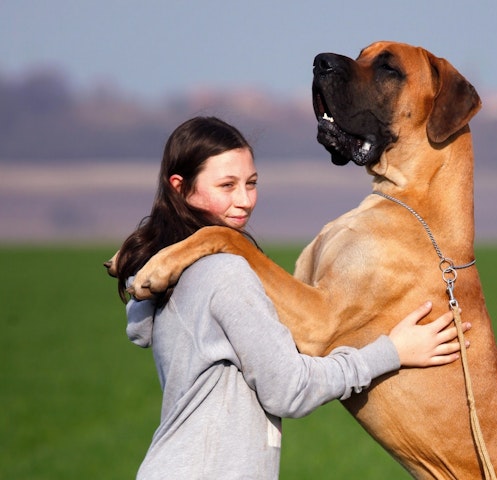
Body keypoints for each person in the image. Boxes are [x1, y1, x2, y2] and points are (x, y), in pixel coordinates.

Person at [112, 116, 469, 479]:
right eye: (227, 185)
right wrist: (391, 353)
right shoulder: (224, 272)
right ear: (180, 187)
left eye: (251, 184)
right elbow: (290, 389)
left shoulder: (171, 275)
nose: (244, 200)